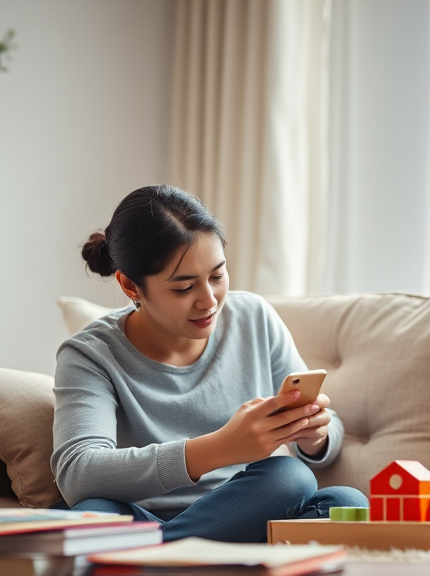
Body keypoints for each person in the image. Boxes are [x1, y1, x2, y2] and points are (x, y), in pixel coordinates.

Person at [53, 185, 367, 543]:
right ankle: (186, 555)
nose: (209, 302)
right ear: (131, 286)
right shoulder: (90, 354)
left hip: (242, 509)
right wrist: (221, 448)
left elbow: (328, 433)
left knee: (327, 493)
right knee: (93, 513)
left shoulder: (253, 317)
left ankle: (156, 558)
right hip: (140, 515)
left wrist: (315, 435)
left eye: (217, 276)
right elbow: (78, 473)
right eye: (184, 288)